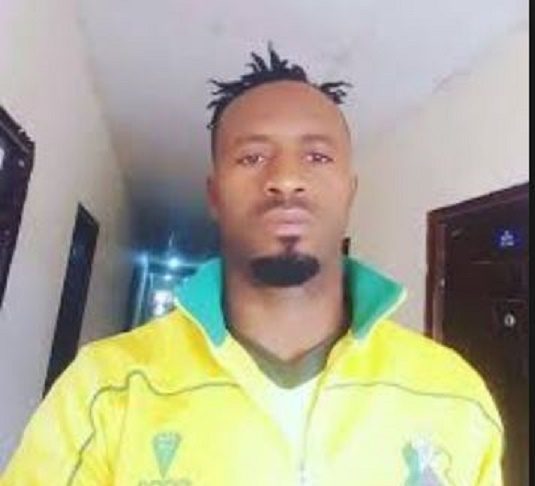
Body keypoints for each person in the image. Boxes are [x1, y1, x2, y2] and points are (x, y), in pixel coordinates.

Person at [1, 45, 502, 485]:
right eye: (252, 157)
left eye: (317, 157)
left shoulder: (455, 395)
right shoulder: (104, 390)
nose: (286, 179)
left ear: (350, 192)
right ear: (215, 195)